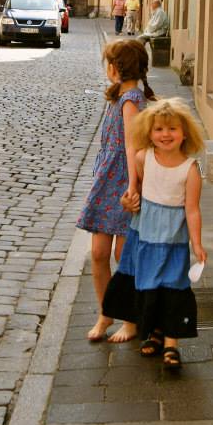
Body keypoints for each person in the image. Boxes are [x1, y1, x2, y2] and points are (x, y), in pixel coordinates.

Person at [102, 98, 206, 368]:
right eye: (159, 129)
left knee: (173, 287)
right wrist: (129, 200)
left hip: (173, 240)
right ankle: (154, 332)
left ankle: (172, 345)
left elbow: (192, 209)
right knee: (149, 285)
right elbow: (137, 191)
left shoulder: (190, 169)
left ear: (185, 133)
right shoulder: (143, 158)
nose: (165, 135)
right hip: (145, 234)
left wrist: (197, 243)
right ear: (149, 133)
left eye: (172, 129)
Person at [76, 40, 156, 342]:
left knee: (124, 255)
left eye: (108, 63)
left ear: (116, 68)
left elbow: (133, 144)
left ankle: (130, 319)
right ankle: (105, 312)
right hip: (106, 180)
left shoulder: (131, 100)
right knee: (98, 253)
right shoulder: (120, 95)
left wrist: (133, 187)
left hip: (124, 183)